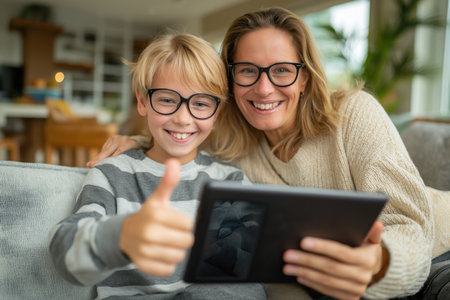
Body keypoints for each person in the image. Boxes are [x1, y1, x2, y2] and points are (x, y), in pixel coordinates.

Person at [87, 7, 450, 300]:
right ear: (230, 79)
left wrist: (378, 262)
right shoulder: (229, 141)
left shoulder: (354, 114)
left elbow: (413, 228)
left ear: (304, 76)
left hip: (430, 254)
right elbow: (180, 131)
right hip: (326, 276)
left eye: (281, 71)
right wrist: (135, 142)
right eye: (248, 71)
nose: (263, 88)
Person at [48, 33, 266, 300]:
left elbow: (251, 277)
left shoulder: (230, 181)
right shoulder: (111, 174)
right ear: (142, 101)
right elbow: (65, 253)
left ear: (216, 112)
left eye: (200, 103)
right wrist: (120, 236)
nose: (183, 118)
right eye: (166, 99)